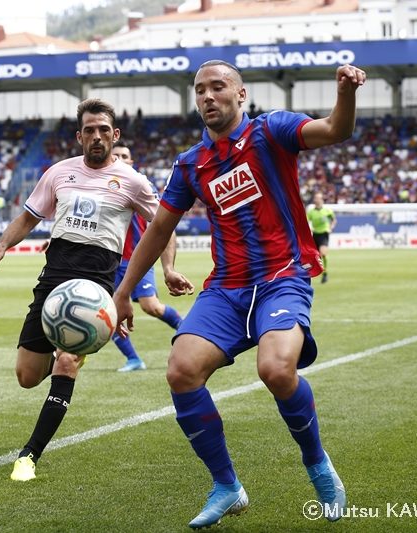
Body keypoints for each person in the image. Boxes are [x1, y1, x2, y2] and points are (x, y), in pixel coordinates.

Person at [113, 60, 365, 528]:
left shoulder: (273, 132)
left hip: (282, 276)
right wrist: (124, 291)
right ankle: (227, 486)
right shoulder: (190, 164)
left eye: (218, 87)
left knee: (275, 367)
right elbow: (158, 228)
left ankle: (319, 466)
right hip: (226, 287)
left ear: (241, 94)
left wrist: (345, 93)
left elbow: (335, 130)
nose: (207, 96)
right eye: (199, 90)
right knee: (182, 369)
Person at [0, 98, 188, 482]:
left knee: (66, 362)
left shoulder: (133, 181)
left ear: (115, 135)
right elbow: (29, 216)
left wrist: (170, 268)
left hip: (96, 285)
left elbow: (164, 227)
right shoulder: (60, 172)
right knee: (27, 376)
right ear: (80, 136)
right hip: (53, 279)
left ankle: (29, 455)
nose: (97, 136)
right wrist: (1, 244)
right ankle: (66, 357)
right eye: (89, 130)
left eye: (103, 130)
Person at [111, 139, 184, 372]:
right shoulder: (102, 186)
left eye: (125, 156)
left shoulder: (142, 186)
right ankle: (133, 359)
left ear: (132, 162)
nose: (120, 160)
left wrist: (168, 267)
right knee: (108, 312)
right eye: (116, 156)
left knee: (150, 306)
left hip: (137, 259)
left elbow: (164, 225)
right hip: (108, 261)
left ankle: (187, 330)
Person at [306, 192, 336, 284]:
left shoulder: (327, 211)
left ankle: (325, 273)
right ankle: (312, 273)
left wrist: (331, 228)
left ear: (321, 200)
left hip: (324, 233)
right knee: (314, 255)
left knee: (323, 253)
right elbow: (306, 221)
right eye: (315, 198)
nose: (316, 200)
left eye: (318, 198)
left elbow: (333, 220)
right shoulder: (311, 212)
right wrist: (309, 229)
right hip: (315, 234)